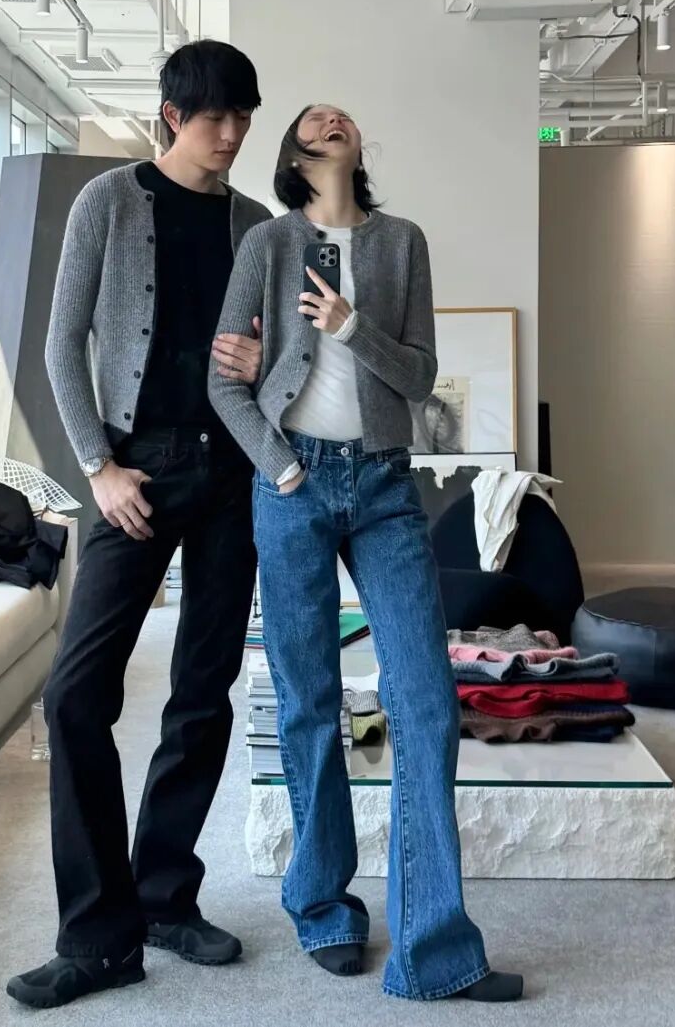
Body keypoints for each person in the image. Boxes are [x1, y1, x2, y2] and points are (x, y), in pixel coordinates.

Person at [208, 104, 523, 1004]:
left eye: (340, 113)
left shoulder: (401, 242)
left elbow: (418, 377)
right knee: (308, 698)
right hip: (294, 485)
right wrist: (279, 467)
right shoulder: (268, 245)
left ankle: (434, 949)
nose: (332, 116)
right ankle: (323, 907)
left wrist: (351, 327)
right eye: (314, 117)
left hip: (385, 483)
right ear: (296, 153)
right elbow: (224, 383)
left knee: (424, 698)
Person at [7, 41, 272, 1010]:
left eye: (243, 117)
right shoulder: (109, 202)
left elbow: (282, 357)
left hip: (233, 473)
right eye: (215, 117)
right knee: (76, 696)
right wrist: (97, 465)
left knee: (203, 691)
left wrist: (266, 363)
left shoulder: (256, 224)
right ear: (171, 116)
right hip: (136, 471)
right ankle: (97, 934)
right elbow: (60, 340)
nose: (232, 134)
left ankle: (164, 893)